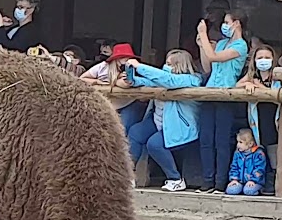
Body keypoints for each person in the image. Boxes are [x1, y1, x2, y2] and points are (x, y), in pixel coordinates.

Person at [123, 49, 203, 192]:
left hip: (179, 126)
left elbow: (170, 81)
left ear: (180, 65)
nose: (165, 66)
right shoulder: (162, 78)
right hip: (158, 120)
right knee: (135, 132)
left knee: (154, 144)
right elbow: (148, 81)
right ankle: (127, 176)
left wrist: (139, 66)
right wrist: (132, 79)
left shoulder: (192, 79)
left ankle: (175, 179)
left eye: (169, 64)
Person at [195, 10, 250, 192]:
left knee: (221, 141)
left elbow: (215, 57)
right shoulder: (220, 44)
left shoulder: (241, 46)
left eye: (227, 22)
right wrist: (203, 45)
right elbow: (207, 65)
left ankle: (220, 182)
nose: (224, 25)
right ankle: (207, 180)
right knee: (205, 139)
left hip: (227, 94)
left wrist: (203, 34)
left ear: (237, 23)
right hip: (210, 92)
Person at [238, 44, 281, 194]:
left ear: (273, 60)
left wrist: (260, 88)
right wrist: (248, 84)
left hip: (274, 118)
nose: (263, 61)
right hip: (257, 119)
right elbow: (235, 86)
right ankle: (261, 181)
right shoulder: (252, 76)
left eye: (267, 58)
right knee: (261, 151)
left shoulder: (278, 76)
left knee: (274, 150)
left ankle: (273, 182)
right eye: (260, 58)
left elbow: (279, 96)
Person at [80, 43, 147, 132]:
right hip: (107, 104)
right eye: (123, 57)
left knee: (123, 130)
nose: (127, 60)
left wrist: (115, 80)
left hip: (128, 103)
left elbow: (126, 84)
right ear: (116, 58)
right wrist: (97, 82)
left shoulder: (133, 68)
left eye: (129, 57)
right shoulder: (102, 67)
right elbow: (82, 78)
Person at [226, 129, 267, 196]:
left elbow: (259, 169)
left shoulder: (258, 154)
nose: (238, 145)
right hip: (240, 181)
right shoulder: (237, 153)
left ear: (250, 144)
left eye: (241, 142)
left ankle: (259, 189)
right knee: (231, 190)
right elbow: (234, 167)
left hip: (255, 182)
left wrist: (253, 180)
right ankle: (241, 188)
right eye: (237, 142)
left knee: (248, 191)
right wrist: (234, 179)